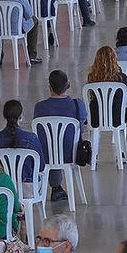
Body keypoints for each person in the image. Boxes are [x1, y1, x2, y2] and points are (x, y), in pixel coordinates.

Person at [34, 70, 89, 203]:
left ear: (50, 87)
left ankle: (56, 187)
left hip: (47, 155)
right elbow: (82, 127)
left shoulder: (39, 107)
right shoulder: (78, 105)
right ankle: (57, 189)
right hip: (72, 153)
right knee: (61, 142)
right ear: (68, 85)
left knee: (52, 143)